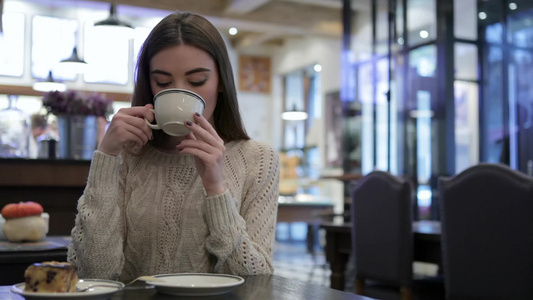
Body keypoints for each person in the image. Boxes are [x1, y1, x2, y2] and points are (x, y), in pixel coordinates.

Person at [67, 11, 280, 282]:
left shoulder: (258, 160)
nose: (180, 93)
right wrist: (106, 156)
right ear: (149, 85)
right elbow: (93, 273)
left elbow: (256, 282)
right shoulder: (127, 155)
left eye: (197, 81)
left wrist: (216, 189)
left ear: (221, 83)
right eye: (164, 83)